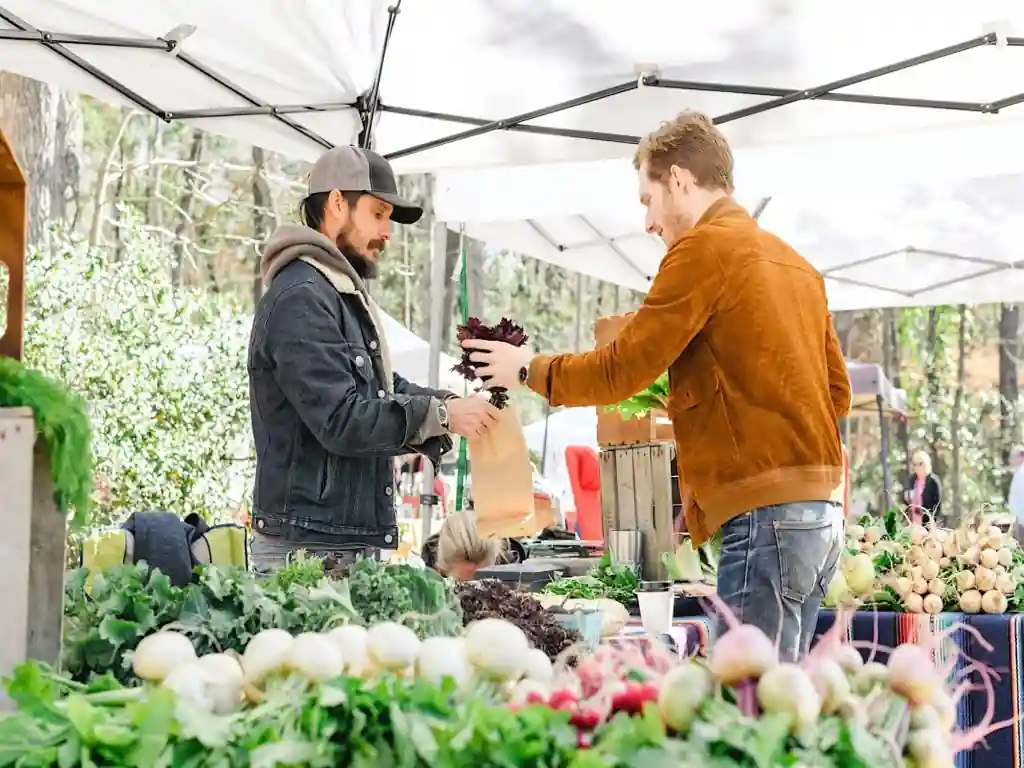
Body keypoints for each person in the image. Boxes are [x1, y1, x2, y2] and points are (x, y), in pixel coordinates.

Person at [462, 110, 850, 660]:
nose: (647, 221)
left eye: (647, 199)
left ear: (680, 181)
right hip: (819, 518)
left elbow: (625, 366)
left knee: (746, 711)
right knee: (783, 706)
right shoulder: (797, 266)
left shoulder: (703, 250)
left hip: (765, 520)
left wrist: (528, 370)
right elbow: (838, 396)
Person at [248, 145, 499, 571]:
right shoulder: (301, 297)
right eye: (378, 214)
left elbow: (381, 386)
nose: (387, 232)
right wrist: (438, 415)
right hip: (308, 551)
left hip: (335, 543)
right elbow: (342, 418)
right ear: (337, 204)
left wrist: (450, 405)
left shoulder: (333, 292)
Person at [904, 450, 941, 525]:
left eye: (920, 464)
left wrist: (932, 524)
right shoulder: (911, 479)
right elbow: (906, 500)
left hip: (927, 524)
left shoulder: (933, 482)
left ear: (926, 463)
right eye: (915, 464)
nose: (917, 467)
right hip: (912, 524)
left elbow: (937, 507)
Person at [1007, 445, 1024, 543]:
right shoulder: (1019, 473)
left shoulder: (1022, 474)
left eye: (1013, 457)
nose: (1011, 460)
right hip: (1018, 520)